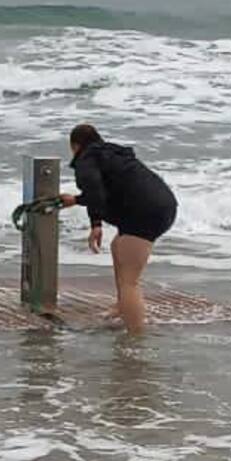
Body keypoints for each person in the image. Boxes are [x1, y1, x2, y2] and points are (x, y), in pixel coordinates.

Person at [59, 123, 178, 334]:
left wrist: (91, 220)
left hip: (144, 213)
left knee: (129, 281)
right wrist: (84, 209)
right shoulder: (112, 154)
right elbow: (104, 190)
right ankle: (121, 307)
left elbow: (94, 192)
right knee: (118, 247)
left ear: (75, 146)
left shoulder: (87, 160)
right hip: (162, 205)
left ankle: (135, 337)